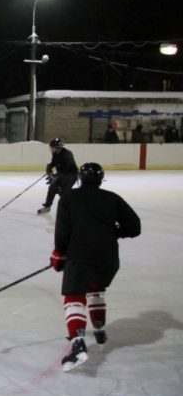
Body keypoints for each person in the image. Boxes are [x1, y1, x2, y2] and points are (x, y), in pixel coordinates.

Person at [50, 162, 141, 372]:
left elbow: (62, 232)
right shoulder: (112, 198)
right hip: (107, 257)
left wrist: (59, 254)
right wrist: (113, 233)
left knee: (74, 297)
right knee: (96, 290)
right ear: (101, 179)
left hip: (80, 255)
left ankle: (78, 344)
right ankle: (99, 329)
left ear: (80, 178)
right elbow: (134, 227)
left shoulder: (69, 198)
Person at [37, 138, 78, 215]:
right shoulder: (55, 153)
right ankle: (47, 206)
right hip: (62, 175)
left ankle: (70, 209)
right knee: (52, 188)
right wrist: (50, 167)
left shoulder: (67, 155)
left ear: (58, 148)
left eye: (52, 147)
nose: (51, 149)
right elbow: (54, 162)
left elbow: (66, 169)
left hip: (71, 176)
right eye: (51, 147)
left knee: (63, 192)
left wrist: (55, 176)